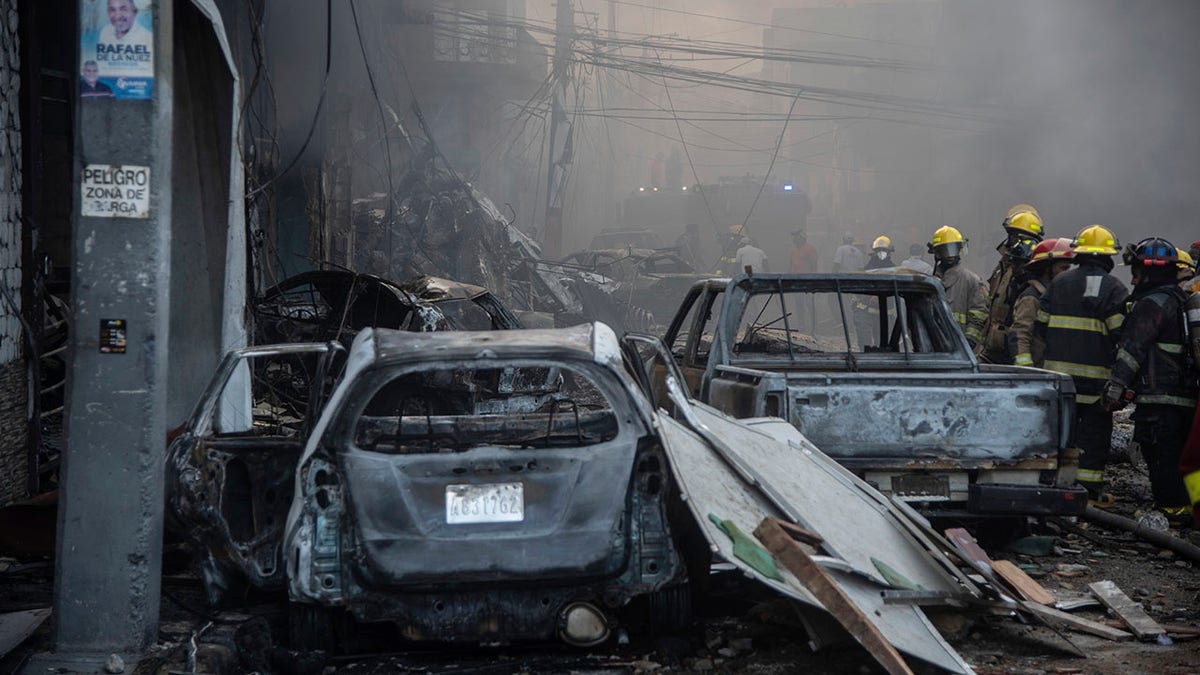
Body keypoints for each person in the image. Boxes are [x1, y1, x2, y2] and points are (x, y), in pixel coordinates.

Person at [1103, 238, 1196, 524]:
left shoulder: (1151, 305)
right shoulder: (1181, 300)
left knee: (1160, 456)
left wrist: (1114, 388)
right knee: (1182, 457)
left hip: (1159, 396)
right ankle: (1191, 508)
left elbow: (1132, 350)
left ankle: (1173, 511)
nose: (1133, 278)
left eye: (1137, 271)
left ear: (1149, 271)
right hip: (1186, 397)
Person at [1035, 225, 1128, 504]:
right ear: (1109, 256)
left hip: (1059, 382)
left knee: (1060, 438)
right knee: (1093, 441)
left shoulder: (1058, 284)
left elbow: (1040, 328)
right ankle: (1087, 495)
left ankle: (1053, 486)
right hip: (1096, 385)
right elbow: (1121, 336)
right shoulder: (1115, 288)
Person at [982, 207, 1045, 363]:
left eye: (1012, 236)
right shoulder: (1005, 264)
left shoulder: (1025, 270)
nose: (1009, 240)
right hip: (993, 345)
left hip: (1010, 348)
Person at [1008, 238, 1074, 367]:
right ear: (1046, 268)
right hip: (1039, 372)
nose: (1067, 274)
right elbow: (1020, 335)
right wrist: (1027, 370)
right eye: (1064, 268)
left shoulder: (1058, 296)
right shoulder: (1032, 297)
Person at [929, 226, 988, 350]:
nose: (950, 254)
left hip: (962, 350)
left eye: (953, 249)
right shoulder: (930, 282)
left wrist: (969, 341)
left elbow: (979, 314)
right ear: (937, 253)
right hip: (934, 347)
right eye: (946, 250)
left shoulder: (972, 280)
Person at [789, 230, 818, 332]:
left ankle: (814, 326)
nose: (794, 239)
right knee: (799, 304)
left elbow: (814, 265)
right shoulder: (793, 251)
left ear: (802, 238)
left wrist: (813, 280)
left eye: (796, 237)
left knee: (809, 304)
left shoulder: (810, 249)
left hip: (807, 280)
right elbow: (791, 265)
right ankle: (802, 326)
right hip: (796, 281)